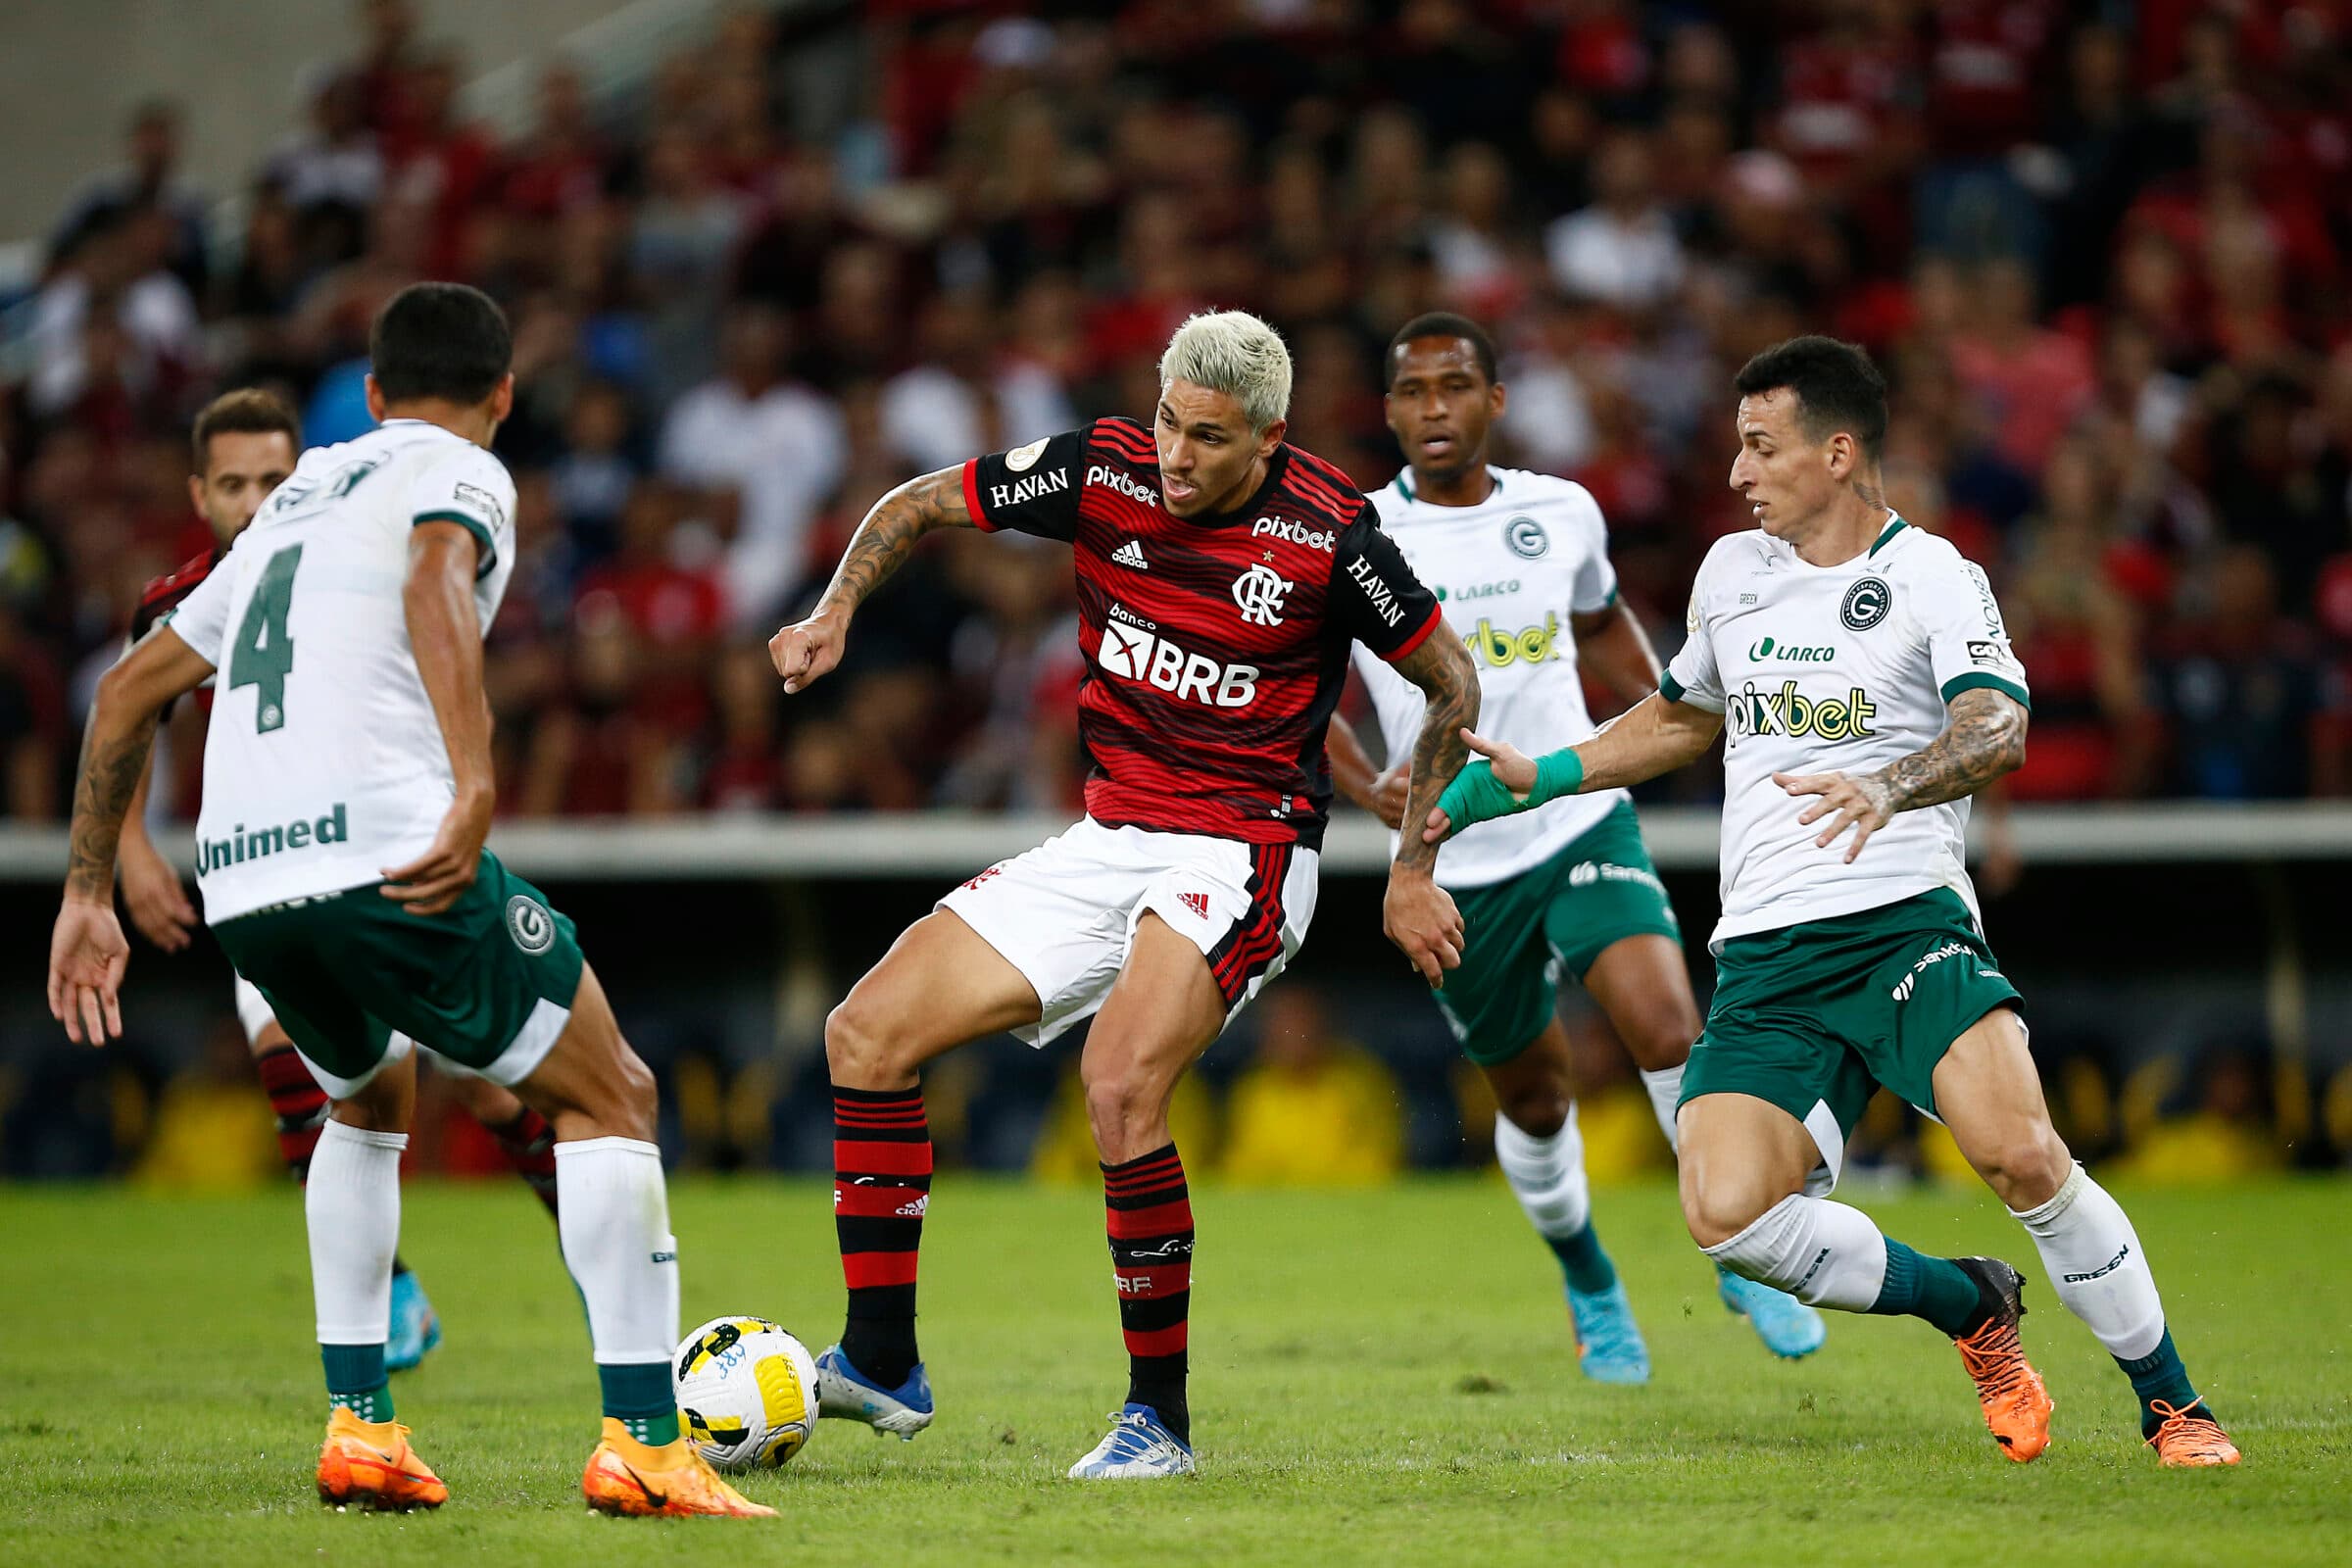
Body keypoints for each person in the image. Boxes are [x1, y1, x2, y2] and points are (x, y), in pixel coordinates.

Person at [1429, 335, 2239, 1468]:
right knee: (1724, 1212)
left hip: (1906, 925)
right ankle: (1970, 1306)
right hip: (1767, 954)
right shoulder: (1732, 574)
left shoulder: (1933, 577)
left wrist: (1889, 782)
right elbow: (1679, 715)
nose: (1736, 473)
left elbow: (1997, 727)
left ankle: (2174, 1406)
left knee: (2019, 1154)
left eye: (1761, 446)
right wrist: (1545, 772)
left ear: (1839, 450)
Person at [47, 283, 772, 1518]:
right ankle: (647, 1444)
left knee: (366, 1102)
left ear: (371, 394)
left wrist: (85, 891)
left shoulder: (291, 501)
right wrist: (478, 777)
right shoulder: (461, 471)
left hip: (250, 883)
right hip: (378, 851)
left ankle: (362, 1428)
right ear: (502, 395)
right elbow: (440, 573)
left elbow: (123, 694)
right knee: (615, 1090)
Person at [769, 310, 1478, 1479]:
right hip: (1110, 835)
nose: (1176, 457)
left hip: (1245, 848)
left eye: (1209, 437)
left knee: (1118, 1083)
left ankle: (1162, 1421)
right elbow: (914, 505)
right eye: (1166, 422)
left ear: (1269, 438)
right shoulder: (1103, 470)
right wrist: (834, 610)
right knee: (866, 1032)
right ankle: (881, 1359)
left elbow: (1452, 683)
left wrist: (1409, 867)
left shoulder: (1333, 535)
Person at [1330, 313, 1826, 1381]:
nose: (1434, 408)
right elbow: (1297, 684)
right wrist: (1357, 778)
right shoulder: (1352, 533)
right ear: (1388, 410)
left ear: (1494, 401)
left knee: (1664, 1025)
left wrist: (1666, 715)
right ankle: (1592, 1280)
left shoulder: (1560, 512)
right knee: (1538, 1099)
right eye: (1412, 390)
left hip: (1573, 812)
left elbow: (1600, 621)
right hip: (1452, 857)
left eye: (1455, 385)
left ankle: (1736, 1247)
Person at [117, 386, 564, 1373]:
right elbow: (128, 707)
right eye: (232, 483)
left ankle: (591, 1253)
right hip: (271, 859)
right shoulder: (182, 597)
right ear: (199, 493)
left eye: (274, 478)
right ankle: (390, 1294)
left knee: (496, 1095)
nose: (254, 498)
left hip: (397, 846)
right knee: (299, 1066)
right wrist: (132, 850)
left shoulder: (358, 557)